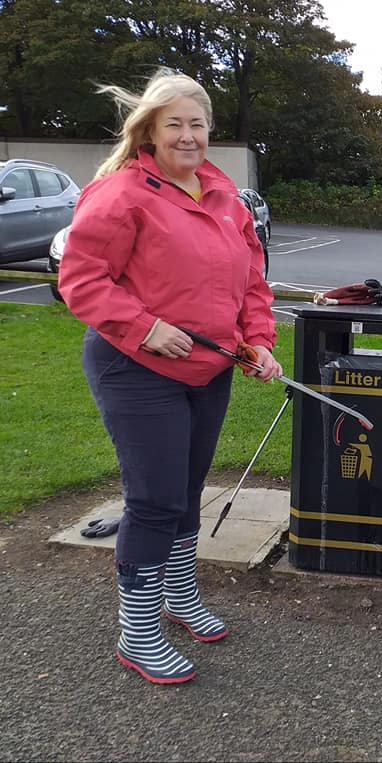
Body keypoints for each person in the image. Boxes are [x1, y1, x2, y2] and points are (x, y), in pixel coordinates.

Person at [58, 68, 282, 685]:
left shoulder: (225, 197)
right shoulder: (121, 194)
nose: (188, 136)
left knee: (186, 489)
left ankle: (178, 598)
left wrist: (258, 342)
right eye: (174, 124)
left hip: (209, 369)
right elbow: (80, 278)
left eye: (197, 124)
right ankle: (137, 632)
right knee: (155, 499)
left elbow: (251, 283)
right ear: (149, 132)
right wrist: (144, 326)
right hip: (135, 367)